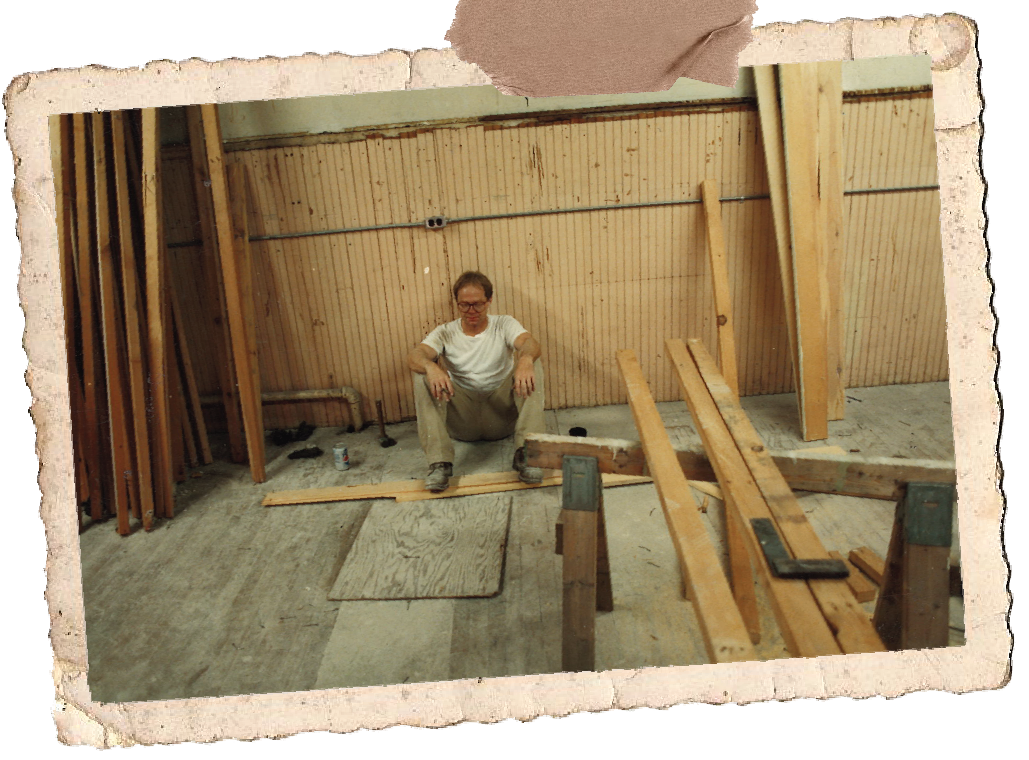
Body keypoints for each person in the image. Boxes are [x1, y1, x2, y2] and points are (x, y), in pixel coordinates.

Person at [407, 271, 546, 492]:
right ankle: (439, 463)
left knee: (533, 364)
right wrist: (431, 366)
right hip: (462, 419)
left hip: (502, 416)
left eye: (478, 305)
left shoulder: (504, 324)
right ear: (457, 304)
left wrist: (526, 359)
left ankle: (528, 454)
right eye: (464, 305)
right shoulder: (445, 332)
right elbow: (416, 355)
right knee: (421, 372)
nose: (471, 311)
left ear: (489, 301)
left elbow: (530, 342)